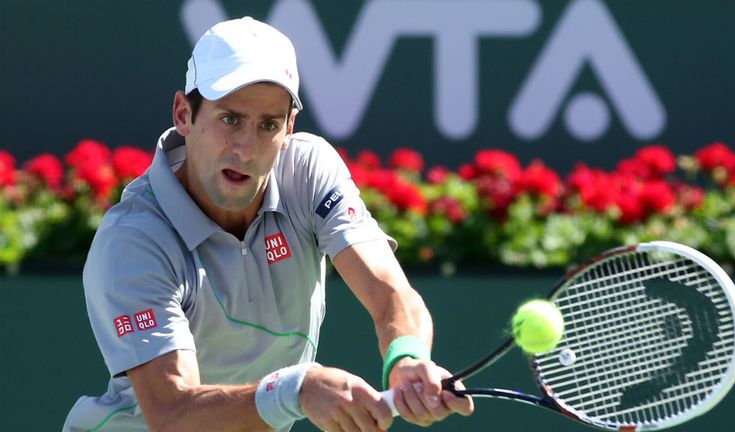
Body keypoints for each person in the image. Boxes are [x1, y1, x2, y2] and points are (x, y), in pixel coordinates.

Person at [63, 16, 473, 431]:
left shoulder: (309, 170)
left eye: (268, 125)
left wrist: (407, 356)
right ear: (184, 114)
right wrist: (295, 390)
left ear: (289, 128)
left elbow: (389, 290)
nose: (246, 148)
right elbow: (172, 414)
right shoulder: (132, 242)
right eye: (230, 119)